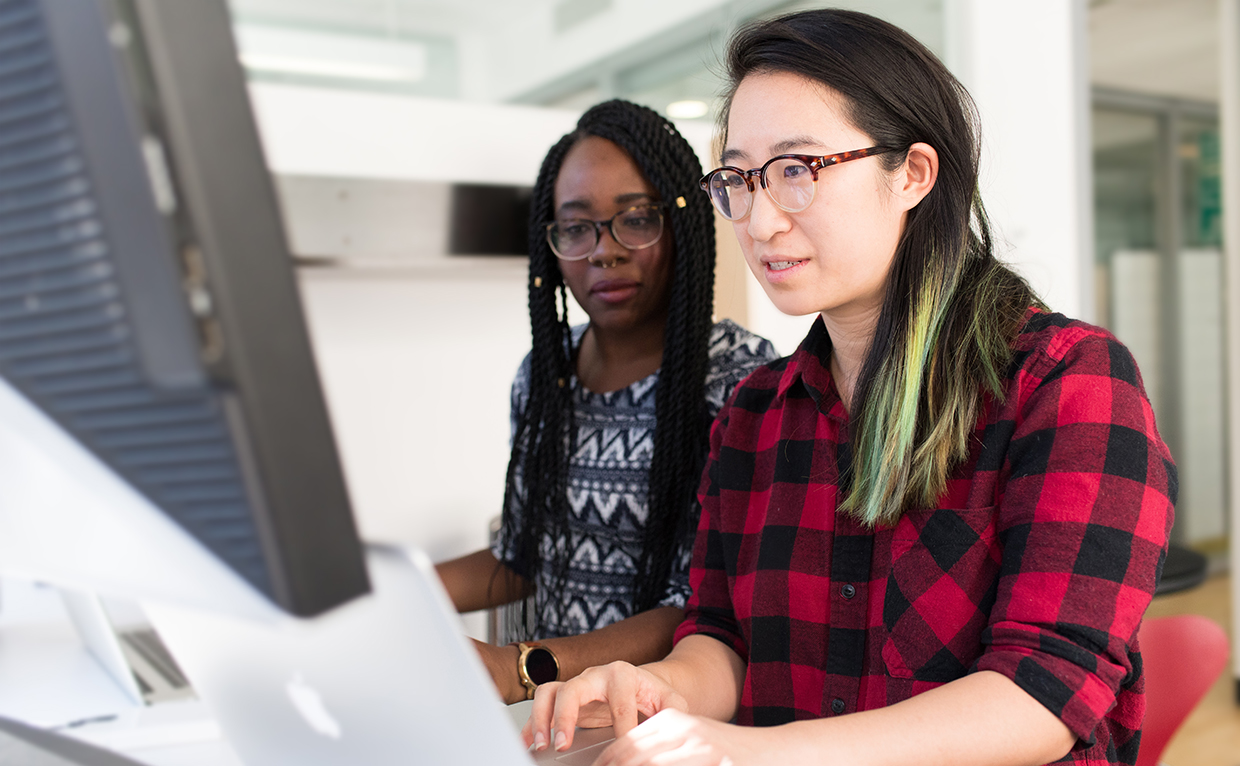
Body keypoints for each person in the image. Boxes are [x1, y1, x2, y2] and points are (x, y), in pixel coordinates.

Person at [522, 10, 1175, 766]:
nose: (760, 221)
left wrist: (755, 752)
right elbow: (723, 637)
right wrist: (659, 690)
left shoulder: (1067, 381)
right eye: (739, 179)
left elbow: (1043, 695)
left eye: (797, 171)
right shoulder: (754, 412)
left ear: (913, 174)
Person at [435, 100, 778, 705]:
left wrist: (521, 668)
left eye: (636, 219)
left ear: (682, 224)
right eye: (576, 227)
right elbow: (522, 555)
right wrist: (393, 593)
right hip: (556, 718)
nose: (604, 250)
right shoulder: (545, 376)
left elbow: (702, 606)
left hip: (663, 715)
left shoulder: (738, 381)